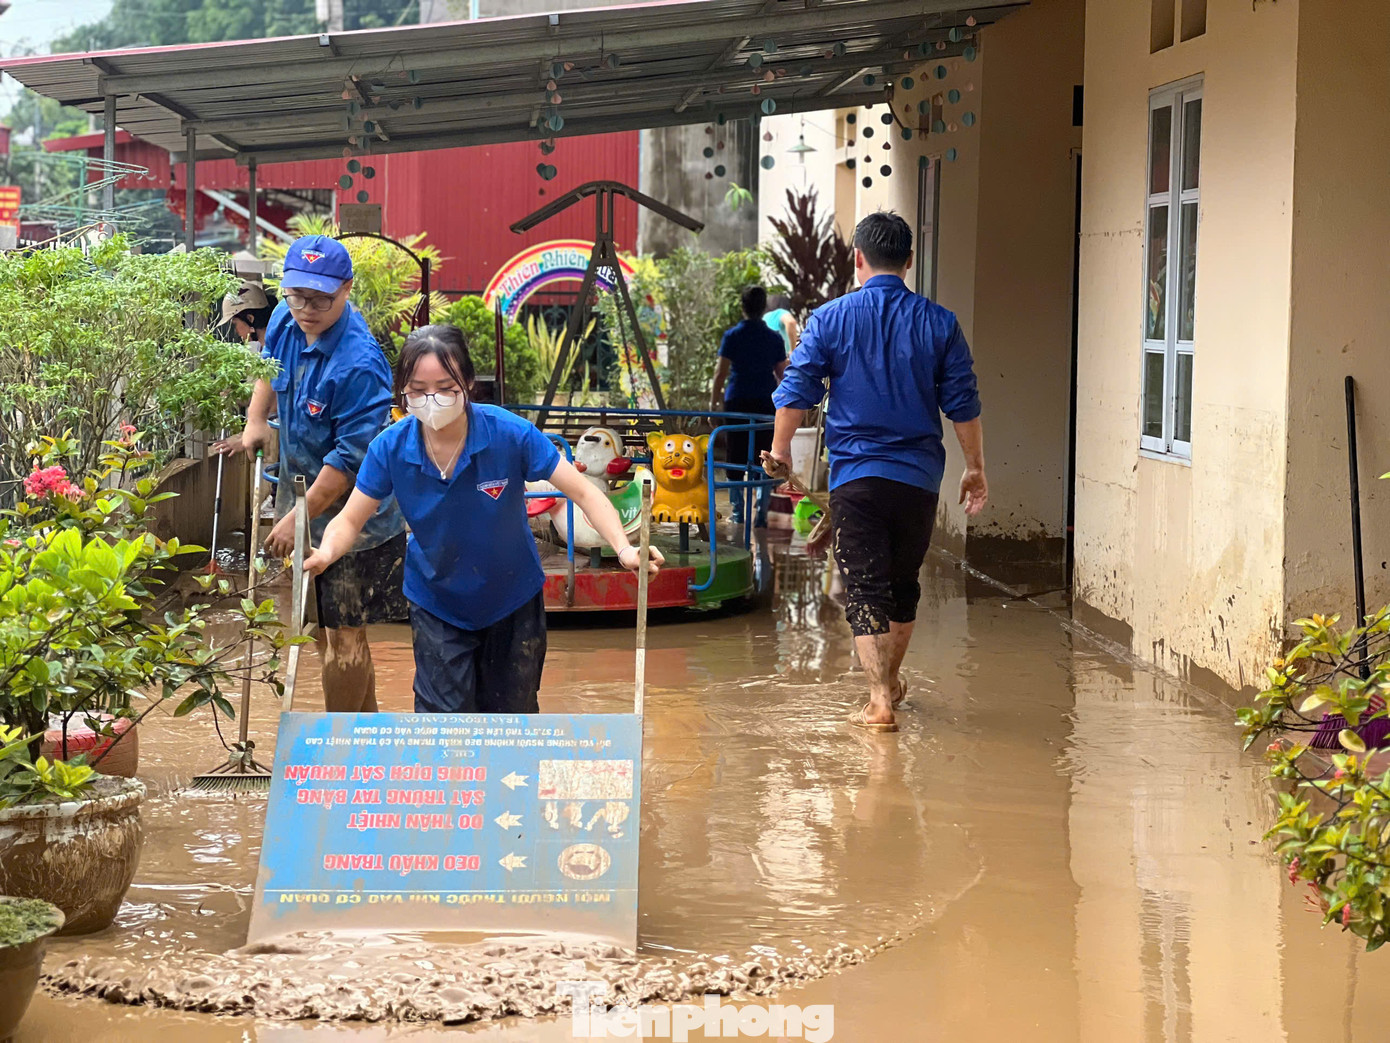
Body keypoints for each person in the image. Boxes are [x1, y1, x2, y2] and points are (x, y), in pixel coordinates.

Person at [304, 325, 663, 715]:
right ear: (402, 392)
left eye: (445, 387)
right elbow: (350, 519)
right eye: (418, 390)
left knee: (512, 720)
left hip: (513, 600)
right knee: (442, 726)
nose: (432, 400)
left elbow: (583, 491)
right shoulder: (389, 448)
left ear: (469, 383)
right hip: (437, 601)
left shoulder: (509, 433)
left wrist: (625, 548)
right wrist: (325, 553)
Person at [764, 211, 988, 734]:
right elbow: (963, 405)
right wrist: (975, 467)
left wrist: (781, 454)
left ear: (858, 259)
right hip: (917, 479)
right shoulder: (940, 324)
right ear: (910, 262)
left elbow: (796, 391)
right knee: (902, 584)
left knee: (864, 587)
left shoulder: (829, 319)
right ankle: (889, 683)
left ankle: (879, 699)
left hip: (855, 478)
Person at [223, 234, 408, 714]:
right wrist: (255, 420)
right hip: (299, 501)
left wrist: (295, 519)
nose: (307, 308)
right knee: (327, 636)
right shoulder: (288, 316)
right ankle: (364, 736)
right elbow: (270, 366)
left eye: (322, 299)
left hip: (354, 519)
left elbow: (347, 464)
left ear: (346, 289)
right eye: (297, 295)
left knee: (344, 638)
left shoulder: (360, 365)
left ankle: (341, 754)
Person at [710, 286, 788, 528]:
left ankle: (737, 513)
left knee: (735, 452)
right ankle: (761, 514)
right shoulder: (774, 338)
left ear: (742, 307)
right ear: (764, 307)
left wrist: (713, 401)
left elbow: (721, 372)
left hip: (737, 402)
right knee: (764, 454)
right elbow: (782, 374)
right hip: (764, 401)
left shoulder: (732, 336)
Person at [218, 279, 276, 348]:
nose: (236, 331)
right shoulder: (275, 344)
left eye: (235, 324)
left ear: (250, 318)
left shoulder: (274, 350)